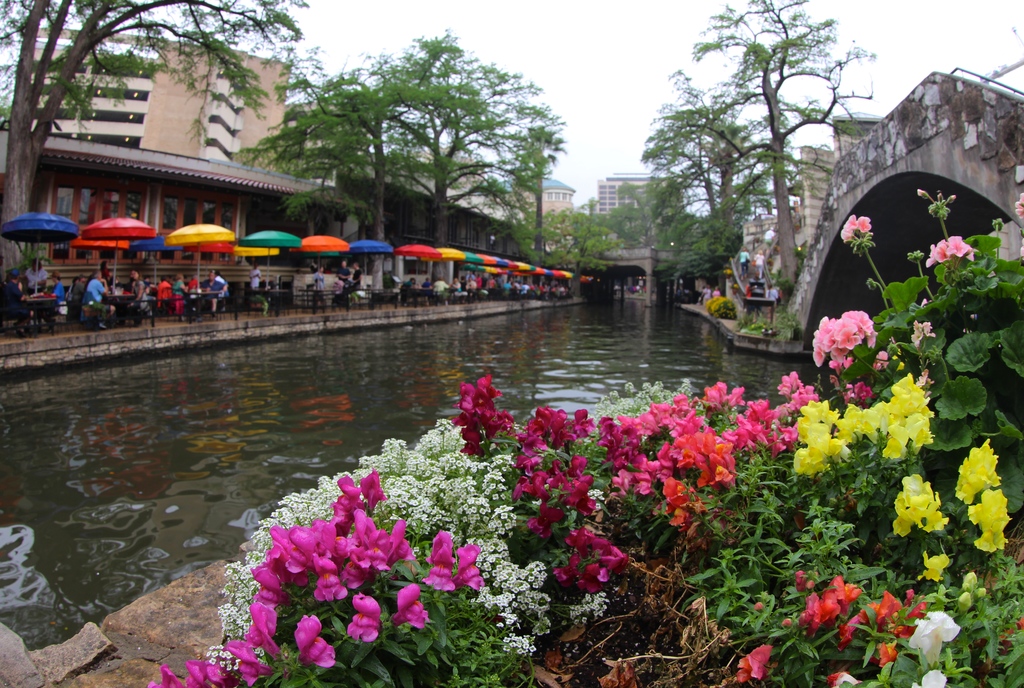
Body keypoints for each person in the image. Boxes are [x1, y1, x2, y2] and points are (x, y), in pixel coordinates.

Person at [4, 269, 33, 337]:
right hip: (15, 309)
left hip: (8, 308)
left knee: (25, 310)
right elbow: (21, 298)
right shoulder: (14, 286)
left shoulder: (7, 286)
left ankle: (20, 328)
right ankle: (18, 326)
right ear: (17, 277)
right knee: (31, 313)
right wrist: (20, 289)